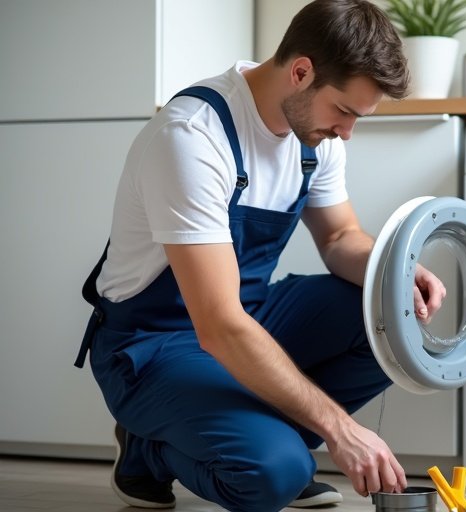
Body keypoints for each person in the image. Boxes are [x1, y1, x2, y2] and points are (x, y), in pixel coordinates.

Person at [74, 1, 447, 510]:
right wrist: (339, 428)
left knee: (386, 317)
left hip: (246, 318)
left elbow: (340, 239)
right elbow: (220, 326)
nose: (347, 133)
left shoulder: (317, 134)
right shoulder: (194, 137)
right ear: (300, 72)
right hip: (155, 344)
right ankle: (150, 451)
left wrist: (395, 273)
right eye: (344, 111)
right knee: (273, 476)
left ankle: (272, 441)